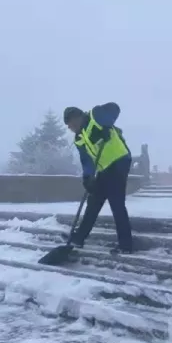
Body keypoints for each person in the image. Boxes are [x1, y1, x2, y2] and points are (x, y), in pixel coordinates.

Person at [63, 103, 133, 254]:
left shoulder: (95, 115)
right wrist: (87, 178)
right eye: (69, 126)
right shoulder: (79, 139)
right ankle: (79, 238)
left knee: (116, 202)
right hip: (104, 168)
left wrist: (107, 124)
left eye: (71, 123)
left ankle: (126, 245)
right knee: (93, 202)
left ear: (78, 117)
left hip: (120, 160)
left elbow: (115, 108)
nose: (71, 127)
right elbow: (86, 160)